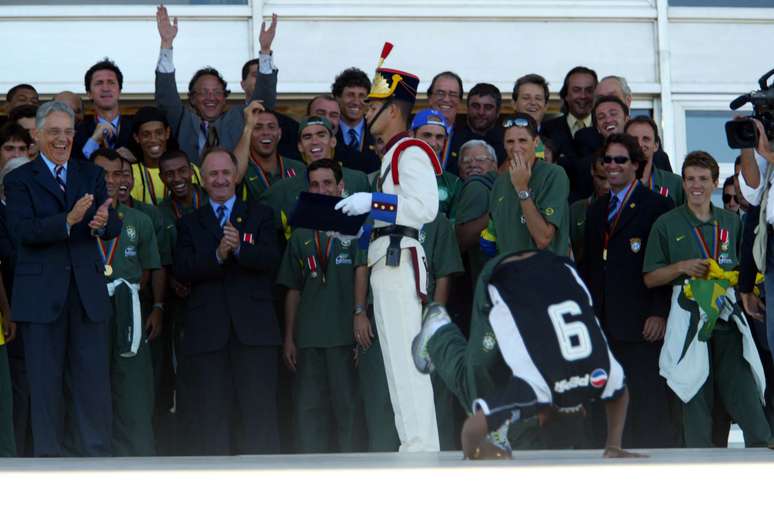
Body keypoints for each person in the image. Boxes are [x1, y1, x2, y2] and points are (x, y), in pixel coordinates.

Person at [411, 249, 639, 459]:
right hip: (502, 276)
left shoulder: (601, 373)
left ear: (583, 411)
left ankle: (498, 416)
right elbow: (470, 431)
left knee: (510, 362)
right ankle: (439, 331)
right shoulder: (538, 388)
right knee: (478, 374)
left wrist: (614, 445)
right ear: (541, 417)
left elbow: (621, 395)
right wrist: (484, 451)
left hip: (554, 264)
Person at [335, 47, 441, 452]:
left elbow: (424, 207)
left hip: (399, 261)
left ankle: (420, 446)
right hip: (387, 258)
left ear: (394, 110)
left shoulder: (410, 151)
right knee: (397, 362)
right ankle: (413, 444)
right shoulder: (392, 155)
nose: (365, 110)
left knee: (406, 362)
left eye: (374, 104)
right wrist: (359, 221)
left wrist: (372, 203)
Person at [3, 100, 121, 457]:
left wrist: (103, 223)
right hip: (41, 298)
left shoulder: (90, 174)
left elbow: (110, 221)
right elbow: (21, 231)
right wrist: (68, 222)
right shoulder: (19, 179)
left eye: (68, 132)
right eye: (53, 132)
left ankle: (97, 461)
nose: (62, 139)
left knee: (92, 386)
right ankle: (49, 464)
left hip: (86, 295)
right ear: (37, 135)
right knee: (44, 387)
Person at [643, 150, 770, 447]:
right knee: (693, 394)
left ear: (714, 182)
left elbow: (744, 269)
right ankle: (697, 468)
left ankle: (763, 464)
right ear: (683, 184)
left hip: (726, 317)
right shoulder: (667, 223)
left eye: (702, 179)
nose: (695, 185)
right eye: (689, 179)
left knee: (745, 392)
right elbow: (649, 277)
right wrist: (682, 268)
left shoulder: (730, 222)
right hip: (688, 319)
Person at [173, 147, 281, 455]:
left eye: (225, 173)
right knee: (211, 418)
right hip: (208, 336)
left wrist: (239, 251)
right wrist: (217, 256)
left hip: (255, 334)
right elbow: (182, 268)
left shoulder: (261, 214)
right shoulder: (189, 223)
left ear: (236, 176)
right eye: (213, 174)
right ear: (202, 180)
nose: (220, 180)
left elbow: (273, 260)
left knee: (259, 416)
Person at [582, 133, 675, 448]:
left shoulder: (658, 206)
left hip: (641, 324)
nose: (612, 166)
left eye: (620, 160)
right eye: (607, 160)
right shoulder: (596, 210)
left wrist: (659, 312)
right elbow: (591, 268)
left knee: (646, 406)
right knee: (607, 403)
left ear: (636, 164)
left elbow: (665, 265)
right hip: (604, 325)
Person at [276, 159, 362, 453]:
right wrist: (290, 337)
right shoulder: (300, 233)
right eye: (315, 184)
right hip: (309, 338)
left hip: (343, 336)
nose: (321, 189)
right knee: (308, 413)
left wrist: (360, 318)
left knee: (347, 412)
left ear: (341, 187)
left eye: (327, 183)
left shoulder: (357, 227)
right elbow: (293, 289)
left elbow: (363, 280)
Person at [93, 149, 161, 456]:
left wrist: (150, 306)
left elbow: (150, 269)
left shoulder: (140, 220)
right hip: (90, 309)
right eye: (102, 173)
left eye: (117, 173)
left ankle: (138, 456)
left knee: (132, 388)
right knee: (92, 385)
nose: (110, 179)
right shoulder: (80, 216)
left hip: (128, 309)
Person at [154, 5, 276, 165]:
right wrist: (166, 44)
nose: (211, 97)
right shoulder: (182, 120)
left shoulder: (239, 117)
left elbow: (262, 103)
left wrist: (265, 51)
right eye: (204, 92)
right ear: (192, 99)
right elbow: (166, 96)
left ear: (225, 98)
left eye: (217, 92)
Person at [480, 113, 570, 257]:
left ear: (536, 142)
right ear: (503, 144)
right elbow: (494, 238)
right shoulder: (499, 182)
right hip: (509, 274)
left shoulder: (554, 174)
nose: (516, 147)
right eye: (510, 141)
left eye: (523, 140)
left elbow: (543, 239)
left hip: (547, 274)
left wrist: (521, 188)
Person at [233, 106, 305, 202]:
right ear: (249, 133)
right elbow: (234, 176)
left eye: (271, 127)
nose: (266, 132)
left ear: (279, 133)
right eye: (258, 128)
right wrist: (248, 127)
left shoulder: (298, 168)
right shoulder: (244, 170)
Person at [74, 58, 134, 161]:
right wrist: (94, 141)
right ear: (89, 94)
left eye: (111, 82)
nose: (105, 88)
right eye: (99, 83)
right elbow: (75, 165)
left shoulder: (136, 127)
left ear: (119, 91)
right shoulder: (78, 131)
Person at [409, 108, 463, 221]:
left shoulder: (454, 183)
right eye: (427, 135)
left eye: (439, 137)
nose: (433, 143)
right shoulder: (394, 173)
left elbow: (453, 229)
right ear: (411, 135)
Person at [625, 116, 684, 206]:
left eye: (646, 139)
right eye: (633, 139)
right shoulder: (613, 181)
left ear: (656, 145)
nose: (640, 144)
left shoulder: (675, 183)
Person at [331, 67, 380, 173]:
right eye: (350, 95)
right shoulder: (329, 132)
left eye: (362, 96)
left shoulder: (378, 131)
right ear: (337, 98)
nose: (356, 102)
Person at [569, 151, 608, 265]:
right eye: (601, 178)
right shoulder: (576, 210)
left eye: (611, 178)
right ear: (592, 170)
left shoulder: (631, 209)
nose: (606, 186)